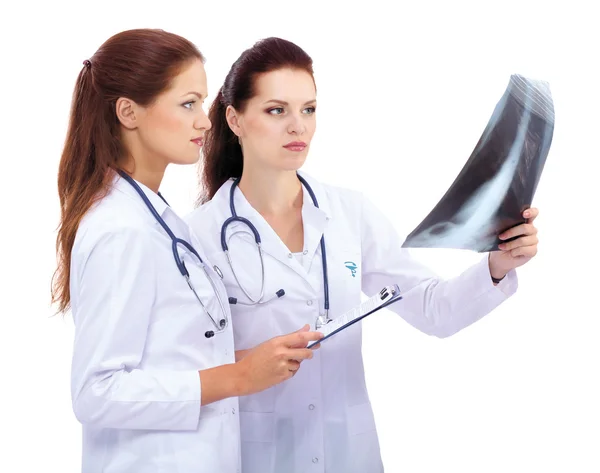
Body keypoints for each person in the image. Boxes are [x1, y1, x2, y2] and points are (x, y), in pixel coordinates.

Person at [185, 37, 540, 473]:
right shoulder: (199, 237)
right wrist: (249, 362)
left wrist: (499, 264)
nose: (298, 126)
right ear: (235, 119)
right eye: (277, 110)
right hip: (255, 455)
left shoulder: (350, 214)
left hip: (347, 454)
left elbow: (433, 310)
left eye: (309, 109)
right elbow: (185, 365)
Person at [51, 29, 322, 473]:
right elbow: (96, 392)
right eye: (188, 103)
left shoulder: (156, 218)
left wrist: (252, 361)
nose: (205, 121)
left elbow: (167, 356)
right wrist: (236, 377)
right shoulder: (121, 229)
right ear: (128, 113)